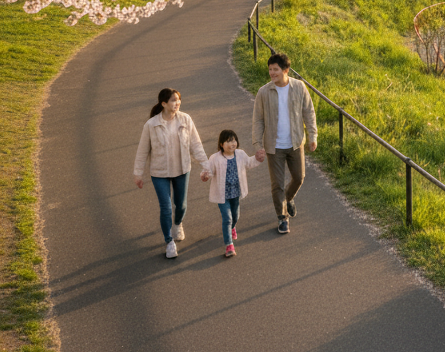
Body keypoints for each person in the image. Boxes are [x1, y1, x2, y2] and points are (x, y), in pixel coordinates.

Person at [134, 88, 210, 259]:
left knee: (181, 205)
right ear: (163, 103)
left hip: (182, 169)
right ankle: (169, 242)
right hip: (159, 172)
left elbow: (196, 145)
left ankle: (178, 224)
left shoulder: (185, 119)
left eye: (178, 100)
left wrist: (206, 166)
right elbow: (142, 151)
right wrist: (138, 174)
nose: (177, 103)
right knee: (166, 208)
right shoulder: (151, 125)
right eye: (173, 100)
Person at [252, 53, 317, 235]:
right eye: (270, 69)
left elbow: (308, 112)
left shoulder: (299, 87)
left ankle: (288, 199)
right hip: (274, 146)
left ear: (286, 70)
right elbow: (257, 120)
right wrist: (258, 145)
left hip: (296, 143)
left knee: (299, 177)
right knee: (277, 184)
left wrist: (313, 136)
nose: (272, 73)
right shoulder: (264, 92)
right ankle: (282, 218)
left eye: (276, 70)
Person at [202, 129, 264, 258]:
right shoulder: (215, 158)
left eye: (234, 140)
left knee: (235, 216)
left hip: (235, 192)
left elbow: (249, 163)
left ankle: (233, 227)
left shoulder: (240, 154)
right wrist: (205, 175)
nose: (233, 143)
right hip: (222, 195)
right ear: (221, 144)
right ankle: (229, 245)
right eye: (229, 141)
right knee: (227, 218)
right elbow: (209, 170)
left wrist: (257, 159)